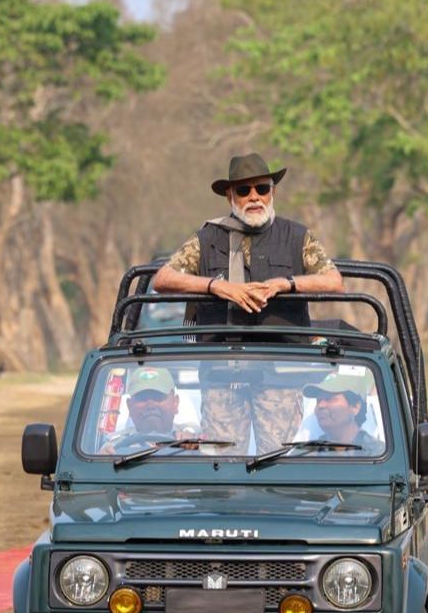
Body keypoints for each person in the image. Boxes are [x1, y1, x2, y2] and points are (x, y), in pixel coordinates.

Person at [151, 152, 345, 453]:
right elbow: (163, 278)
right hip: (221, 370)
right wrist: (217, 287)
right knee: (223, 463)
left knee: (278, 461)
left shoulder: (295, 236)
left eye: (262, 189)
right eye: (244, 190)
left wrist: (287, 284)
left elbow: (333, 280)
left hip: (280, 369)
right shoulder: (208, 238)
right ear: (230, 195)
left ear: (273, 192)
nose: (254, 197)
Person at [99, 367, 199, 453]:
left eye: (158, 397)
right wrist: (103, 461)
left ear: (175, 403)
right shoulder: (113, 446)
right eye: (142, 398)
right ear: (129, 406)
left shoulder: (194, 440)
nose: (150, 405)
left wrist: (195, 445)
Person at [300, 372, 385, 456]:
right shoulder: (307, 453)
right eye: (318, 400)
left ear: (355, 407)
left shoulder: (379, 454)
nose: (320, 405)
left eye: (330, 398)